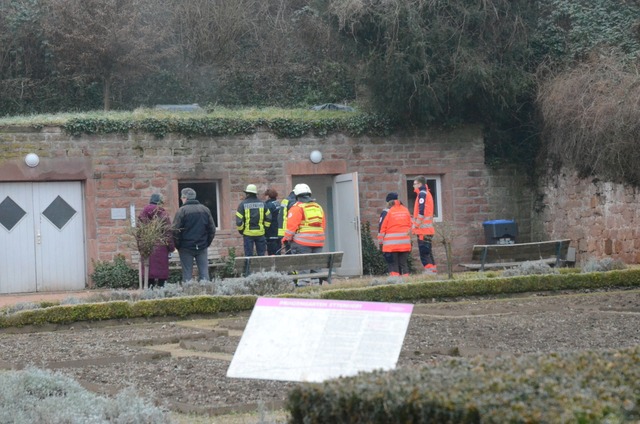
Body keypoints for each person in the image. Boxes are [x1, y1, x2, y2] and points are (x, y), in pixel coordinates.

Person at [282, 183, 326, 284]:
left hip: (302, 243)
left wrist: (286, 239)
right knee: (315, 264)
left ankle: (303, 285)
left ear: (297, 195)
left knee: (303, 266)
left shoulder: (297, 208)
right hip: (318, 242)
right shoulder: (318, 207)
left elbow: (291, 228)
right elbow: (322, 225)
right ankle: (316, 284)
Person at [173, 187, 216, 282]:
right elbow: (212, 229)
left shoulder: (182, 211)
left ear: (185, 198)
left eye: (181, 197)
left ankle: (189, 295)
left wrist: (178, 245)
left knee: (187, 275)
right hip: (202, 246)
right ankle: (206, 294)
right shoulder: (205, 210)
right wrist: (206, 243)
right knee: (204, 274)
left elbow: (175, 230)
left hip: (185, 247)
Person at [138, 193, 175, 288]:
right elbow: (168, 233)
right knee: (161, 272)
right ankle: (161, 293)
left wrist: (141, 247)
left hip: (147, 246)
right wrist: (171, 248)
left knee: (148, 271)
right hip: (161, 247)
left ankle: (149, 291)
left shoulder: (142, 214)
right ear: (160, 202)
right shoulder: (163, 214)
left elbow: (139, 233)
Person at [377, 192, 412, 277]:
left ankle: (395, 283)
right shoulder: (405, 210)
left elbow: (382, 227)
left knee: (393, 264)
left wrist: (380, 242)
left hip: (391, 244)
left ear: (388, 201)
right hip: (405, 243)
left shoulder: (386, 212)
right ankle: (407, 283)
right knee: (403, 264)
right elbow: (411, 224)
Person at [236, 184, 271, 256]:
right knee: (261, 256)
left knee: (248, 257)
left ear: (247, 194)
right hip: (260, 233)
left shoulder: (242, 205)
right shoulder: (262, 204)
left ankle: (249, 267)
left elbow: (239, 222)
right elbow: (269, 217)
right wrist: (265, 229)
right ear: (255, 194)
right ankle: (261, 267)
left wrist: (242, 231)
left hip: (248, 234)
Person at [412, 176, 437, 274]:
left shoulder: (422, 194)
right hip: (428, 230)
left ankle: (430, 273)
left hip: (423, 230)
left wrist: (416, 225)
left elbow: (421, 212)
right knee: (428, 252)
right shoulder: (427, 193)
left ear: (419, 184)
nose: (413, 186)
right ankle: (433, 272)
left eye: (414, 184)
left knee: (424, 253)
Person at [277, 189, 297, 254]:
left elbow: (280, 217)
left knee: (288, 252)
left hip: (286, 232)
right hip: (293, 233)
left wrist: (281, 234)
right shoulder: (296, 202)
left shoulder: (285, 201)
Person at [264, 188, 281, 255]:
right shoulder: (278, 204)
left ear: (268, 196)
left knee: (272, 253)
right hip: (278, 231)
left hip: (271, 232)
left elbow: (267, 218)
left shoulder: (268, 205)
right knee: (278, 251)